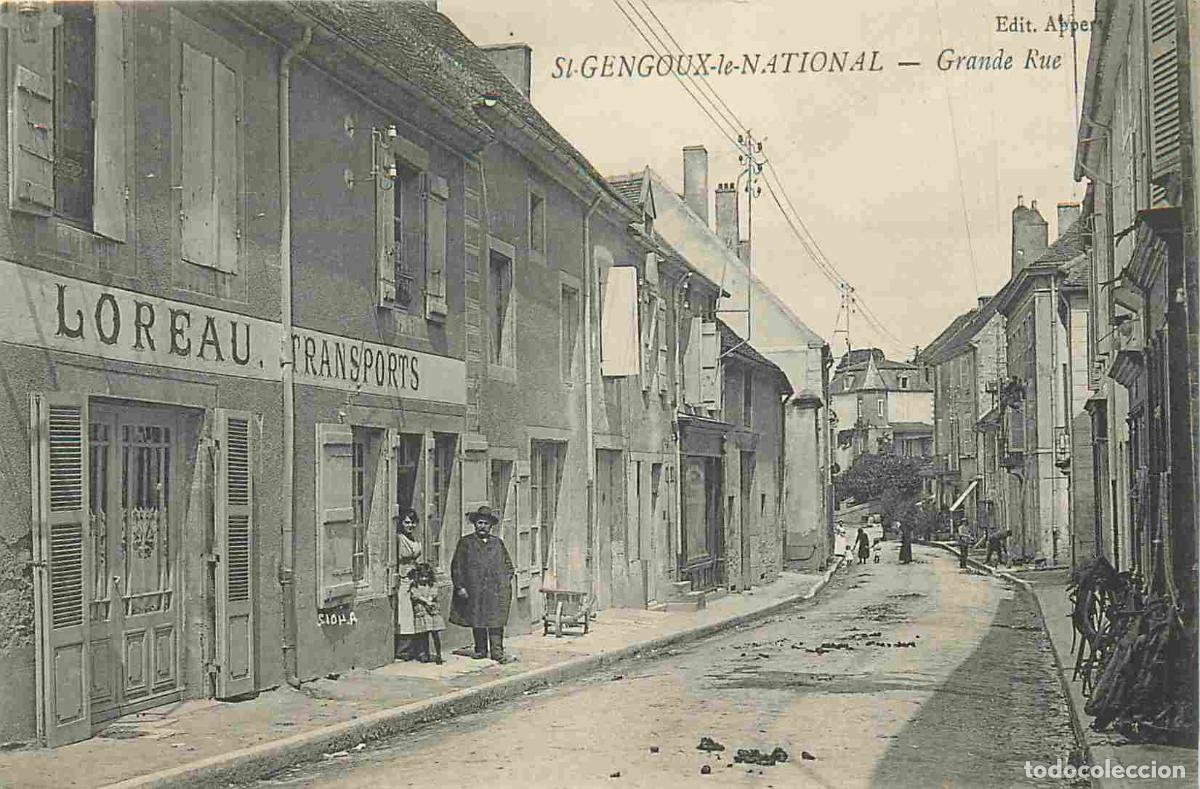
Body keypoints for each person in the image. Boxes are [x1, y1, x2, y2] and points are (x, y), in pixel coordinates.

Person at [450, 505, 516, 663]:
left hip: (495, 590)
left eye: (486, 523)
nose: (482, 526)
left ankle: (497, 652)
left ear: (491, 526)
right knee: (477, 618)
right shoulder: (466, 543)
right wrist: (460, 586)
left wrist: (505, 580)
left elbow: (508, 565)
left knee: (496, 620)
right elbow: (457, 566)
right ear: (475, 524)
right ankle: (480, 650)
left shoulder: (497, 543)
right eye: (480, 523)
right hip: (475, 589)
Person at [393, 509, 423, 660]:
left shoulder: (415, 538)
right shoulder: (399, 538)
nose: (410, 525)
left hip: (415, 578)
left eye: (413, 522)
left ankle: (416, 648)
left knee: (417, 611)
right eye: (407, 522)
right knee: (404, 613)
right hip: (403, 578)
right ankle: (403, 648)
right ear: (401, 523)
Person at [408, 562, 445, 664]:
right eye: (422, 577)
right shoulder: (415, 586)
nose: (424, 579)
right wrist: (426, 601)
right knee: (424, 635)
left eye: (426, 577)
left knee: (435, 634)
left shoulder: (432, 585)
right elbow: (416, 595)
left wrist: (430, 599)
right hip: (422, 612)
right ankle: (425, 653)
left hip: (432, 612)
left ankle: (438, 654)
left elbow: (434, 593)